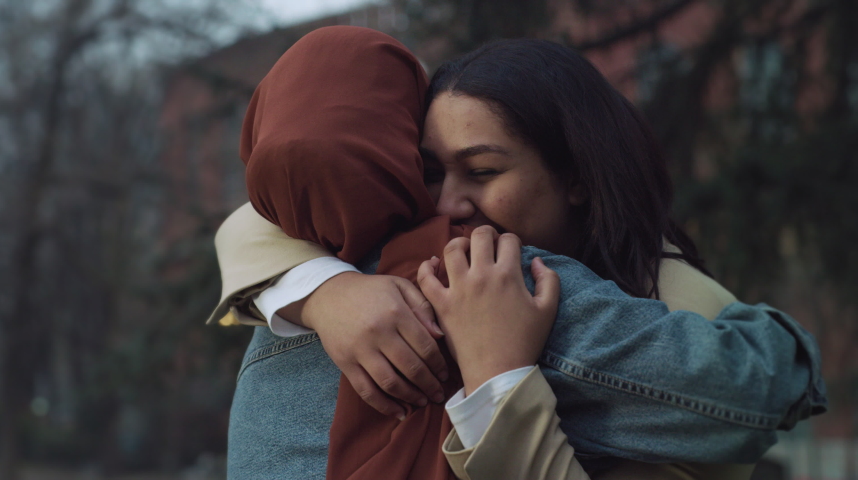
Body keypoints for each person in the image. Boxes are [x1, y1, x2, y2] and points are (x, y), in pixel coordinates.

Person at [214, 26, 825, 479]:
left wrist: (318, 287)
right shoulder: (497, 281)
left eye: (481, 171)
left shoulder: (275, 321)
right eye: (428, 171)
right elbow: (769, 384)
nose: (449, 204)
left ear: (578, 175)